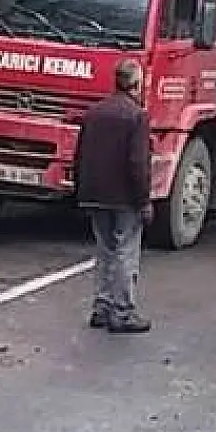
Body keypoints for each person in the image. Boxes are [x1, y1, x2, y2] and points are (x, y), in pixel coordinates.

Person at [73, 59, 153, 334]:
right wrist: (144, 200)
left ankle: (102, 306)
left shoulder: (94, 112)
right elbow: (137, 163)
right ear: (136, 85)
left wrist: (80, 189)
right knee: (125, 251)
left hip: (95, 192)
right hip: (124, 197)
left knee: (105, 250)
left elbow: (80, 154)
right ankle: (122, 311)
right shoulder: (137, 116)